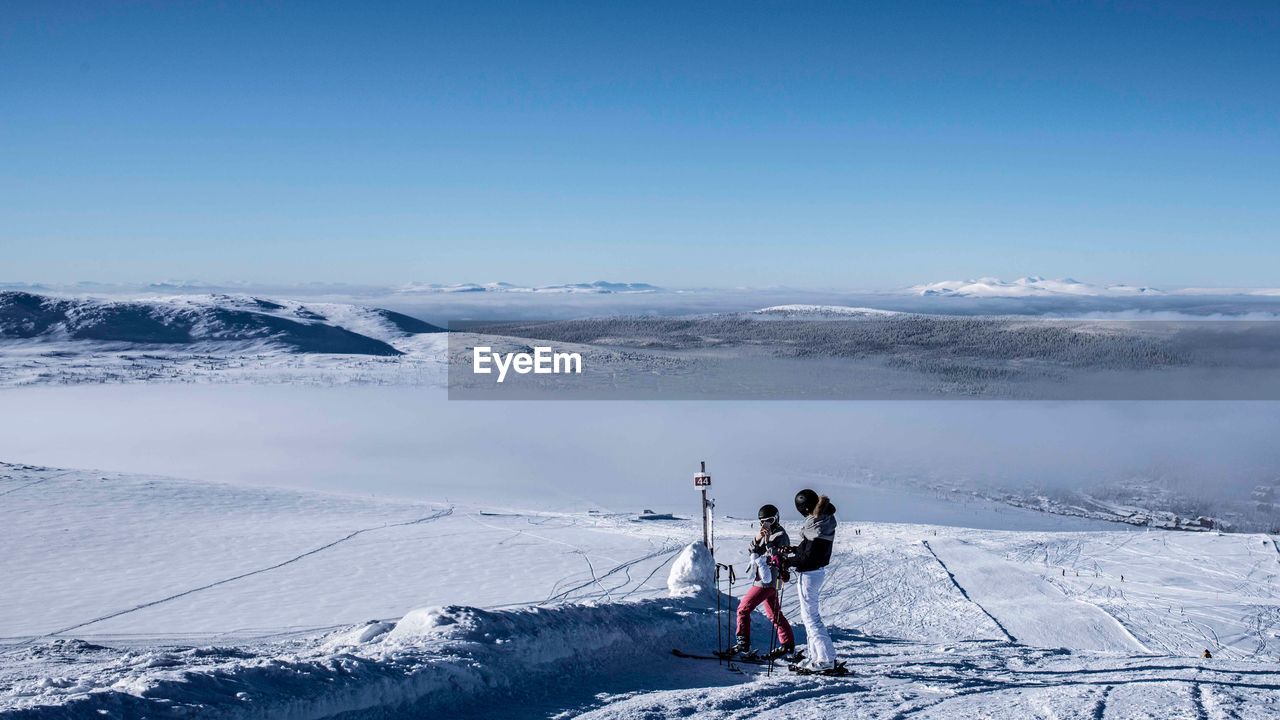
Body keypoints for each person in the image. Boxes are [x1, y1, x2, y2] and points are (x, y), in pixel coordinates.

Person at [728, 504, 795, 659]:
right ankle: (788, 645)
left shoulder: (780, 536)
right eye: (763, 521)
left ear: (776, 519)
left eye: (769, 520)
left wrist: (767, 542)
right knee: (774, 613)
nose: (766, 524)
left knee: (743, 609)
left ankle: (743, 645)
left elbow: (776, 557)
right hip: (767, 580)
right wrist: (759, 537)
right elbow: (752, 550)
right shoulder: (766, 534)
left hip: (768, 581)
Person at [785, 488, 838, 671]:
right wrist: (793, 551)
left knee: (811, 618)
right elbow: (808, 548)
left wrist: (787, 561)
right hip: (813, 572)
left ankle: (825, 660)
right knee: (809, 617)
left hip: (809, 574)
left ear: (804, 508)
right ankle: (816, 656)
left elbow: (809, 556)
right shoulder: (822, 521)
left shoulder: (815, 525)